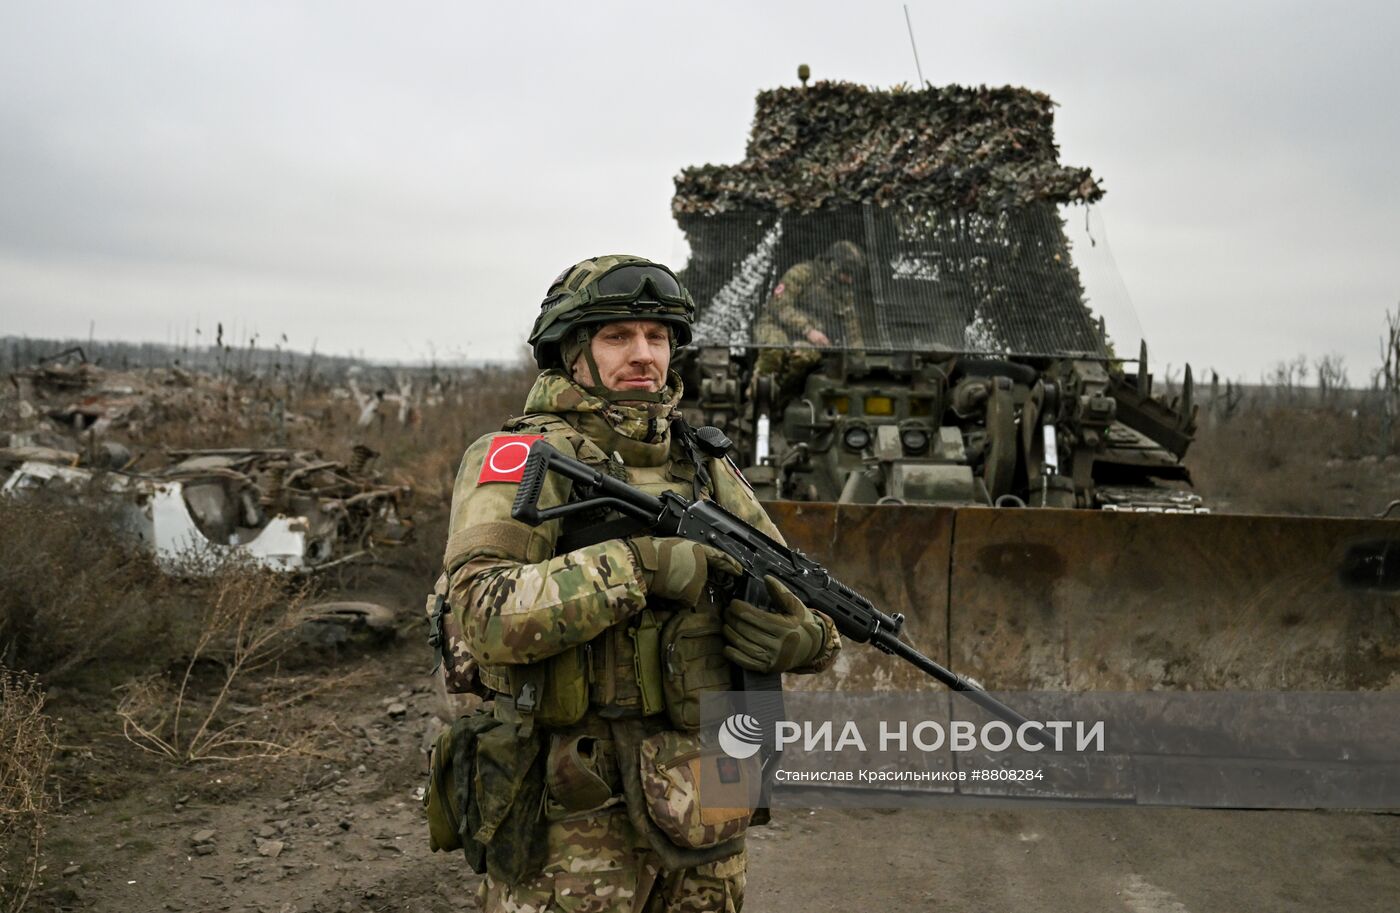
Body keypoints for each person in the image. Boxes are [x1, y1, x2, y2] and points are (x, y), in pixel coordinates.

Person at [440, 254, 841, 912]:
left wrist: (802, 638)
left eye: (657, 337)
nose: (643, 354)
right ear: (573, 353)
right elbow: (485, 615)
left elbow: (794, 590)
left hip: (705, 795)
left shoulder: (702, 463)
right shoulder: (521, 457)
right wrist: (640, 565)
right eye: (618, 336)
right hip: (571, 810)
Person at [754, 239, 867, 350]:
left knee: (812, 356)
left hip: (805, 340)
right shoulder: (802, 273)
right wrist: (808, 330)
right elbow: (780, 306)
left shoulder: (842, 292)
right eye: (846, 273)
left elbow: (852, 329)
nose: (850, 280)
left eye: (853, 275)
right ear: (832, 264)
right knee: (775, 351)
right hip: (776, 327)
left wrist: (860, 360)